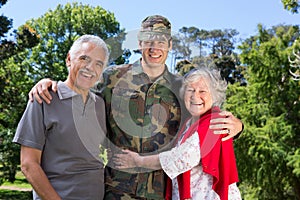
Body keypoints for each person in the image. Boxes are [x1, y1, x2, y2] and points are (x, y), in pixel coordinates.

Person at [28, 15, 243, 199]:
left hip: (161, 191)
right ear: (139, 43)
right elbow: (79, 85)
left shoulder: (182, 88)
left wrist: (238, 127)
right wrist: (49, 83)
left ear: (170, 45)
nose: (154, 47)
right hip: (115, 189)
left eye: (161, 41)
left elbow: (206, 120)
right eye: (148, 41)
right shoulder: (112, 77)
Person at [113, 67, 242, 200]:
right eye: (190, 90)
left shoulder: (215, 122)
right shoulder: (187, 124)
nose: (195, 96)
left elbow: (182, 158)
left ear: (214, 96)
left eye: (202, 91)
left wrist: (138, 161)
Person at [13, 34, 109, 200]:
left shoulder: (100, 104)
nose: (90, 68)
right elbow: (28, 164)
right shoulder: (43, 99)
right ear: (69, 59)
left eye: (98, 63)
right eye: (84, 58)